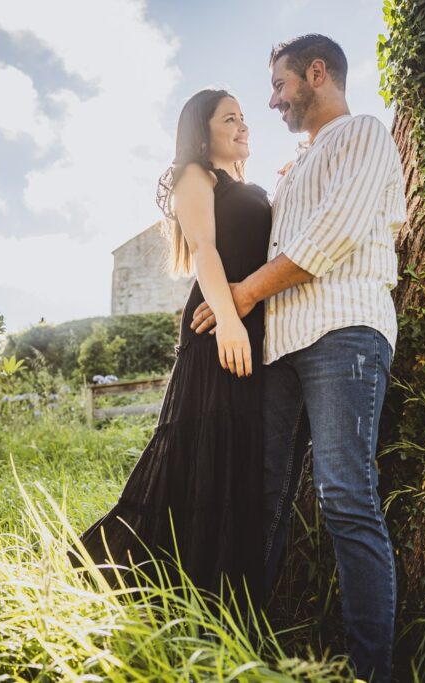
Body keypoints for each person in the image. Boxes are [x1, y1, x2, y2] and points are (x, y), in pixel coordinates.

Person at [191, 35, 405, 682]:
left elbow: (335, 234)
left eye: (281, 85)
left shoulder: (363, 132)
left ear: (317, 73)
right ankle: (241, 651)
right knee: (262, 496)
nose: (273, 100)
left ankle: (373, 669)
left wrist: (245, 292)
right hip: (280, 349)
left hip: (345, 333)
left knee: (344, 494)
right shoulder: (297, 163)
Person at [80, 89, 272, 610]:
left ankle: (223, 599)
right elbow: (206, 250)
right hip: (218, 331)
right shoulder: (196, 175)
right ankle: (157, 593)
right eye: (229, 118)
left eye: (244, 117)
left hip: (249, 329)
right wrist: (230, 322)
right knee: (200, 457)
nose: (242, 125)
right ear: (202, 131)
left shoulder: (247, 184)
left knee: (235, 460)